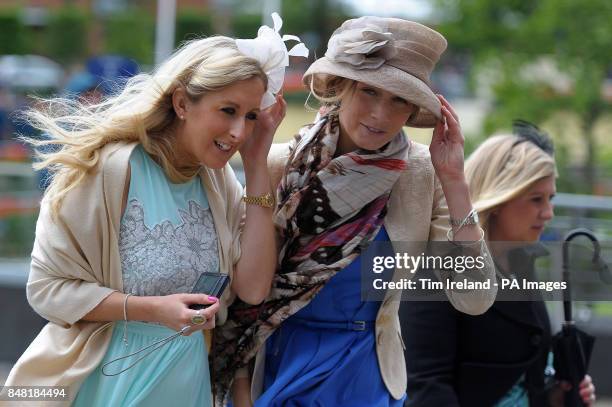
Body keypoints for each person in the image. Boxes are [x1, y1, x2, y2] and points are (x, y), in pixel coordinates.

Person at [2, 25, 308, 405]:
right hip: (107, 384)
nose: (238, 131)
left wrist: (257, 166)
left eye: (249, 116)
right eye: (227, 110)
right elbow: (47, 289)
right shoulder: (110, 169)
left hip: (186, 383)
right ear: (182, 103)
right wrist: (151, 310)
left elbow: (253, 288)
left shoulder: (219, 179)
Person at [213, 17, 498, 407]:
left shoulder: (423, 174)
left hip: (366, 374)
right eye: (368, 91)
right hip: (277, 364)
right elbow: (239, 299)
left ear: (414, 109)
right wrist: (242, 394)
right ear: (341, 88)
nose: (380, 114)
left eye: (399, 99)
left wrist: (455, 181)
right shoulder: (278, 164)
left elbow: (474, 298)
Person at [402, 121, 597, 406]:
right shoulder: (438, 266)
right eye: (536, 199)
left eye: (551, 198)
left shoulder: (523, 262)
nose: (548, 213)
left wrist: (556, 395)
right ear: (499, 197)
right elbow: (426, 386)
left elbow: (522, 379)